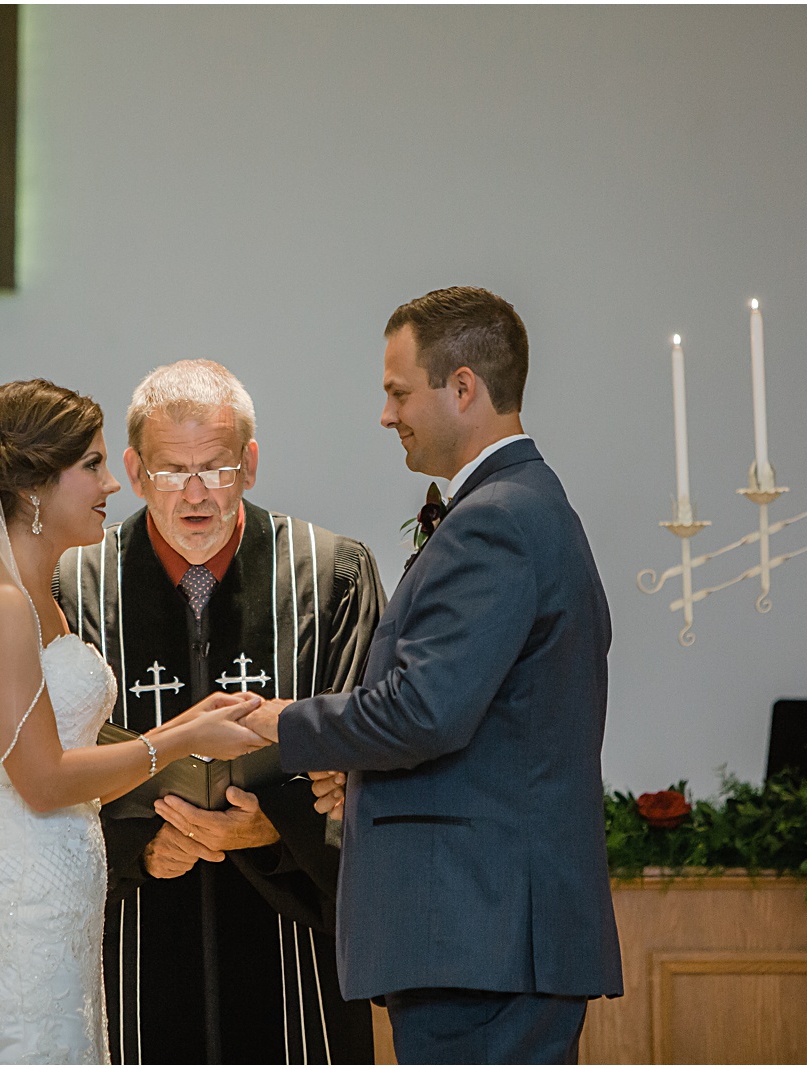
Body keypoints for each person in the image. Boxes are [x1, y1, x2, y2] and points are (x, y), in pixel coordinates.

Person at [244, 287, 623, 1063]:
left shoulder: (498, 517)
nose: (387, 415)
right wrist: (363, 776)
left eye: (397, 391)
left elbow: (426, 709)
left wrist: (279, 723)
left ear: (462, 387)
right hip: (485, 934)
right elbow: (492, 724)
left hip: (479, 934)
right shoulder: (522, 505)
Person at [0, 379, 267, 1064]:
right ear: (37, 485)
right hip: (15, 913)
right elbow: (41, 780)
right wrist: (184, 734)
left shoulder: (40, 599)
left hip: (56, 910)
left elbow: (50, 765)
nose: (111, 483)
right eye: (94, 465)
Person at [54, 360, 385, 1064]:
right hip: (134, 945)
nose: (196, 494)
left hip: (295, 953)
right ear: (136, 472)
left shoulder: (331, 578)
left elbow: (372, 764)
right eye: (173, 472)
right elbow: (45, 776)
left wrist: (273, 826)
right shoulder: (73, 587)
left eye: (217, 467)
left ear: (251, 464)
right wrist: (140, 845)